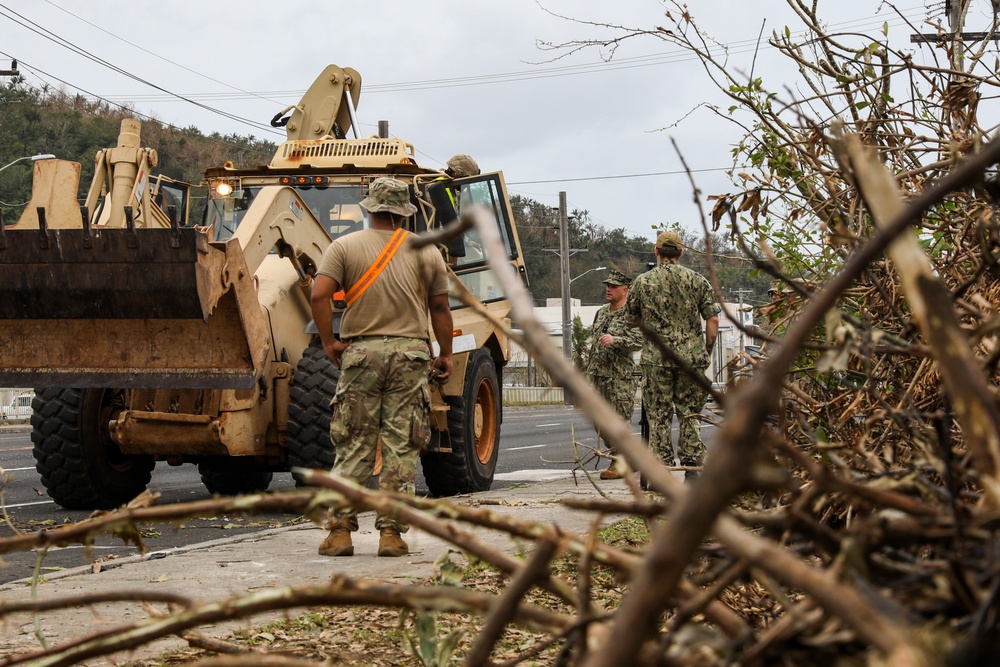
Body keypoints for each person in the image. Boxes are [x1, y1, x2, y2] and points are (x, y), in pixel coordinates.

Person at [309, 177, 454, 557]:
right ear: (404, 212)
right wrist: (445, 353)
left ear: (369, 208)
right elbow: (440, 309)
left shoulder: (343, 246)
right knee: (400, 446)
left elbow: (319, 295)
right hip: (411, 355)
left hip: (362, 354)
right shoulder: (428, 252)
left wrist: (329, 341)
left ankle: (339, 533)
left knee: (354, 443)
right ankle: (391, 535)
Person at [622, 231, 720, 480]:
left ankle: (662, 472)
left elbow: (630, 321)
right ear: (681, 252)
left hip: (656, 360)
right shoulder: (697, 281)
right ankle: (691, 469)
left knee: (659, 415)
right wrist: (705, 350)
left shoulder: (643, 283)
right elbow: (713, 320)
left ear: (656, 252)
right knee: (689, 413)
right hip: (691, 360)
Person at [585, 269, 643, 480]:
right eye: (607, 286)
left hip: (620, 378)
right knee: (599, 423)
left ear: (625, 290)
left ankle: (620, 462)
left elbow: (639, 341)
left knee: (618, 422)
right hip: (599, 376)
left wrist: (616, 340)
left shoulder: (631, 314)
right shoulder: (601, 312)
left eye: (613, 286)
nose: (608, 289)